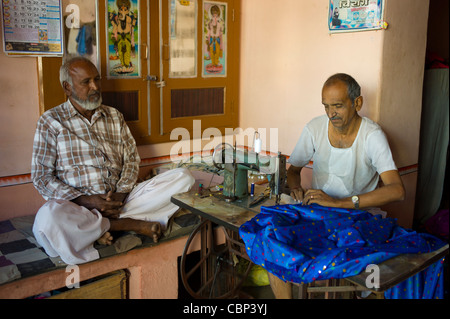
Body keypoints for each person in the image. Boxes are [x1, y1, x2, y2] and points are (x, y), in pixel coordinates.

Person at [31, 56, 195, 265]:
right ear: (67, 87)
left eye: (97, 80)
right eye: (86, 82)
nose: (95, 87)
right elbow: (41, 177)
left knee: (184, 178)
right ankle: (125, 225)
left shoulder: (114, 116)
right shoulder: (50, 121)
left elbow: (131, 161)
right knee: (48, 219)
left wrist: (120, 195)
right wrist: (87, 200)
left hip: (122, 202)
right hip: (77, 207)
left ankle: (99, 227)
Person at [268, 73, 405, 298]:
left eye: (338, 106)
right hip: (319, 214)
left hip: (358, 217)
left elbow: (397, 190)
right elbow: (293, 171)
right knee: (275, 245)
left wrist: (340, 203)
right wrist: (295, 188)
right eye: (326, 106)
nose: (331, 114)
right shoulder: (315, 128)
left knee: (374, 272)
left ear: (357, 103)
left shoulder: (372, 136)